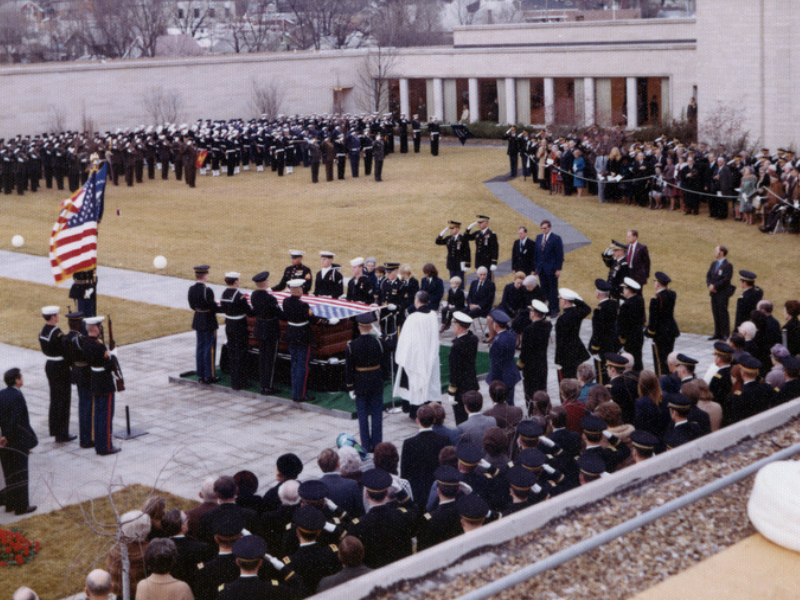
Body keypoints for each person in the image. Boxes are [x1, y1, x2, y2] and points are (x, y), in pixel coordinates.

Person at [347, 468, 415, 569]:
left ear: (366, 495)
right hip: (403, 570)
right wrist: (400, 491)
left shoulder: (358, 525)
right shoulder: (402, 516)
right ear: (387, 493)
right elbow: (413, 509)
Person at [283, 279, 338, 403]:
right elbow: (314, 320)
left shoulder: (286, 302)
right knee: (303, 367)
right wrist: (328, 321)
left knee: (294, 365)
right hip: (303, 336)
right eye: (301, 288)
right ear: (298, 290)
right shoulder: (303, 305)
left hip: (291, 334)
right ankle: (301, 395)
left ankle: (295, 393)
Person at [393, 291, 440, 419]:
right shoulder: (433, 315)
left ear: (417, 301)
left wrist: (402, 356)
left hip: (416, 357)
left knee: (415, 382)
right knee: (428, 382)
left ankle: (416, 411)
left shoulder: (412, 318)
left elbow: (405, 340)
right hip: (429, 355)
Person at [346, 313, 388, 452]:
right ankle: (377, 445)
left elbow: (349, 368)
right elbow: (385, 360)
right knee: (377, 415)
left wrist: (350, 387)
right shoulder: (378, 342)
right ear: (370, 327)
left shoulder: (352, 345)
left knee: (362, 416)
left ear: (358, 327)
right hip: (376, 380)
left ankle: (365, 445)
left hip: (360, 382)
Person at [0, 368, 38, 515]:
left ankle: (10, 503)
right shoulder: (17, 396)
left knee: (9, 472)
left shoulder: (2, 394)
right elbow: (15, 419)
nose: (23, 378)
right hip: (17, 439)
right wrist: (6, 436)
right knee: (21, 472)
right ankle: (21, 507)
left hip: (6, 440)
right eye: (21, 376)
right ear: (16, 380)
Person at [400, 404, 451, 509]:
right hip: (440, 490)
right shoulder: (444, 440)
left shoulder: (409, 443)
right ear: (433, 421)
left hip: (418, 493)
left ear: (417, 420)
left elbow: (404, 473)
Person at [83, 316, 121, 455]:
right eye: (99, 326)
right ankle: (106, 446)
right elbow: (110, 365)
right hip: (104, 383)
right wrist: (114, 355)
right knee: (106, 416)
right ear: (95, 328)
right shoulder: (98, 347)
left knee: (98, 415)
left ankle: (99, 444)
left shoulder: (86, 343)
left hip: (95, 380)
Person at [39, 305, 75, 443]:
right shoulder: (57, 333)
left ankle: (55, 430)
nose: (58, 317)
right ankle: (62, 433)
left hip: (50, 365)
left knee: (55, 398)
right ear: (53, 317)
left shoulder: (43, 331)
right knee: (63, 399)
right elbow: (66, 351)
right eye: (57, 315)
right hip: (60, 366)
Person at [217, 535, 284, 600]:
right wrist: (283, 568)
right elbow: (294, 590)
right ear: (260, 563)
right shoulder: (273, 589)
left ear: (237, 562)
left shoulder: (225, 591)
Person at [251, 271, 283, 396]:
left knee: (262, 357)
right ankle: (267, 387)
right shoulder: (270, 298)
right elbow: (279, 314)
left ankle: (262, 384)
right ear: (265, 282)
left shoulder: (254, 295)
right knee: (269, 359)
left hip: (260, 328)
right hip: (270, 329)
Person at [107, 510, 151, 598]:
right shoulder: (148, 551)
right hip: (142, 595)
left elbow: (111, 577)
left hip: (121, 595)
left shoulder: (115, 550)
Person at [220, 272, 252, 391]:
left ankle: (234, 381)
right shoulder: (239, 296)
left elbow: (223, 308)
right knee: (240, 354)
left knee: (232, 352)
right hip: (239, 325)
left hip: (229, 324)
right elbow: (248, 311)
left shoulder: (224, 293)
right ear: (235, 281)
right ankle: (240, 382)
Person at [188, 265, 220, 384]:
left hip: (198, 318)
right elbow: (213, 307)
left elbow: (192, 305)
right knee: (209, 348)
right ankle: (209, 375)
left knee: (200, 346)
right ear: (205, 275)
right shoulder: (207, 290)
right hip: (208, 319)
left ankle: (201, 374)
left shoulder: (191, 289)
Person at [645, 272, 679, 378]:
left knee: (659, 362)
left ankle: (661, 382)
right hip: (671, 331)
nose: (654, 283)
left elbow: (653, 319)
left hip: (660, 334)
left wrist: (650, 333)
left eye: (655, 281)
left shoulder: (656, 299)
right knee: (668, 358)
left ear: (658, 284)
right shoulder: (671, 294)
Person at [486, 309, 522, 405]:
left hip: (501, 378)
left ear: (495, 325)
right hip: (511, 374)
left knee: (501, 405)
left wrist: (493, 382)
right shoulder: (511, 335)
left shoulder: (498, 342)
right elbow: (509, 329)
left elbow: (495, 364)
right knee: (510, 402)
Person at [518, 300, 551, 402]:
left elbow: (525, 351)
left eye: (531, 311)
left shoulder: (528, 330)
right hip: (542, 366)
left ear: (534, 313)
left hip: (531, 368)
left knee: (530, 396)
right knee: (541, 394)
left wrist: (520, 365)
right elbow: (546, 320)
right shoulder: (547, 326)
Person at [554, 288, 591, 380]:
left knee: (567, 381)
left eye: (561, 299)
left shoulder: (562, 319)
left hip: (566, 355)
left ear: (564, 301)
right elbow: (587, 308)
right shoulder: (577, 312)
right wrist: (575, 299)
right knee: (576, 378)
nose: (560, 302)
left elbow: (560, 341)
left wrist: (558, 360)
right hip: (576, 350)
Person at [533, 220, 564, 316]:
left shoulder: (556, 238)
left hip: (551, 268)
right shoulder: (539, 237)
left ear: (549, 227)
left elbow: (559, 255)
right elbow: (536, 253)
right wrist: (535, 267)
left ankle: (555, 309)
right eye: (542, 228)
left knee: (553, 289)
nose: (543, 230)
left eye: (545, 228)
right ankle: (548, 309)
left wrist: (558, 269)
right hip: (541, 268)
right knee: (544, 290)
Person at [617, 278, 646, 372]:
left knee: (629, 361)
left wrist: (622, 338)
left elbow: (623, 324)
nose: (623, 291)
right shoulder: (640, 300)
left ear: (629, 290)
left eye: (624, 289)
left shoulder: (626, 305)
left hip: (629, 338)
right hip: (638, 335)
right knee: (638, 359)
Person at [706, 245, 734, 340]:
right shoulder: (714, 264)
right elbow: (708, 275)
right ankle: (717, 333)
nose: (714, 252)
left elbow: (726, 279)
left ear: (721, 252)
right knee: (715, 312)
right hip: (713, 293)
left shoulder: (728, 265)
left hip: (722, 293)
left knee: (723, 313)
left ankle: (725, 334)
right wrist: (709, 285)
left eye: (716, 250)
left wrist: (715, 286)